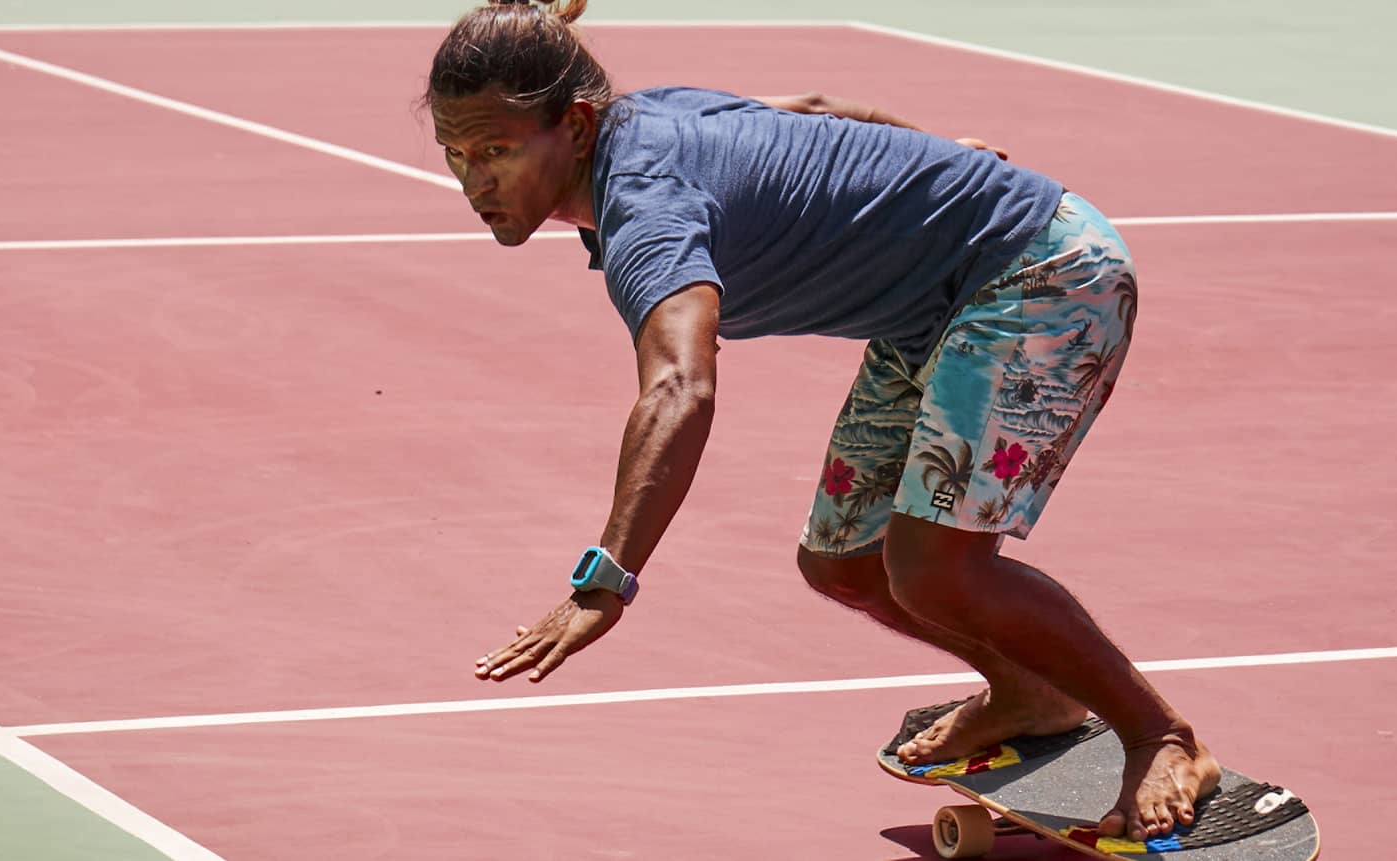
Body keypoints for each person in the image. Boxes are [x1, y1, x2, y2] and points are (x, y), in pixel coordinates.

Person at [425, 0, 1219, 843]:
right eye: (457, 153)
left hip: (1040, 270)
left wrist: (606, 578)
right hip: (933, 307)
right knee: (843, 561)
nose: (475, 182)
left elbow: (679, 389)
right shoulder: (644, 114)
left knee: (935, 569)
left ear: (577, 127)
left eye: (498, 152)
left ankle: (1161, 733)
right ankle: (1033, 692)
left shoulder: (647, 214)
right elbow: (812, 109)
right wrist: (933, 151)